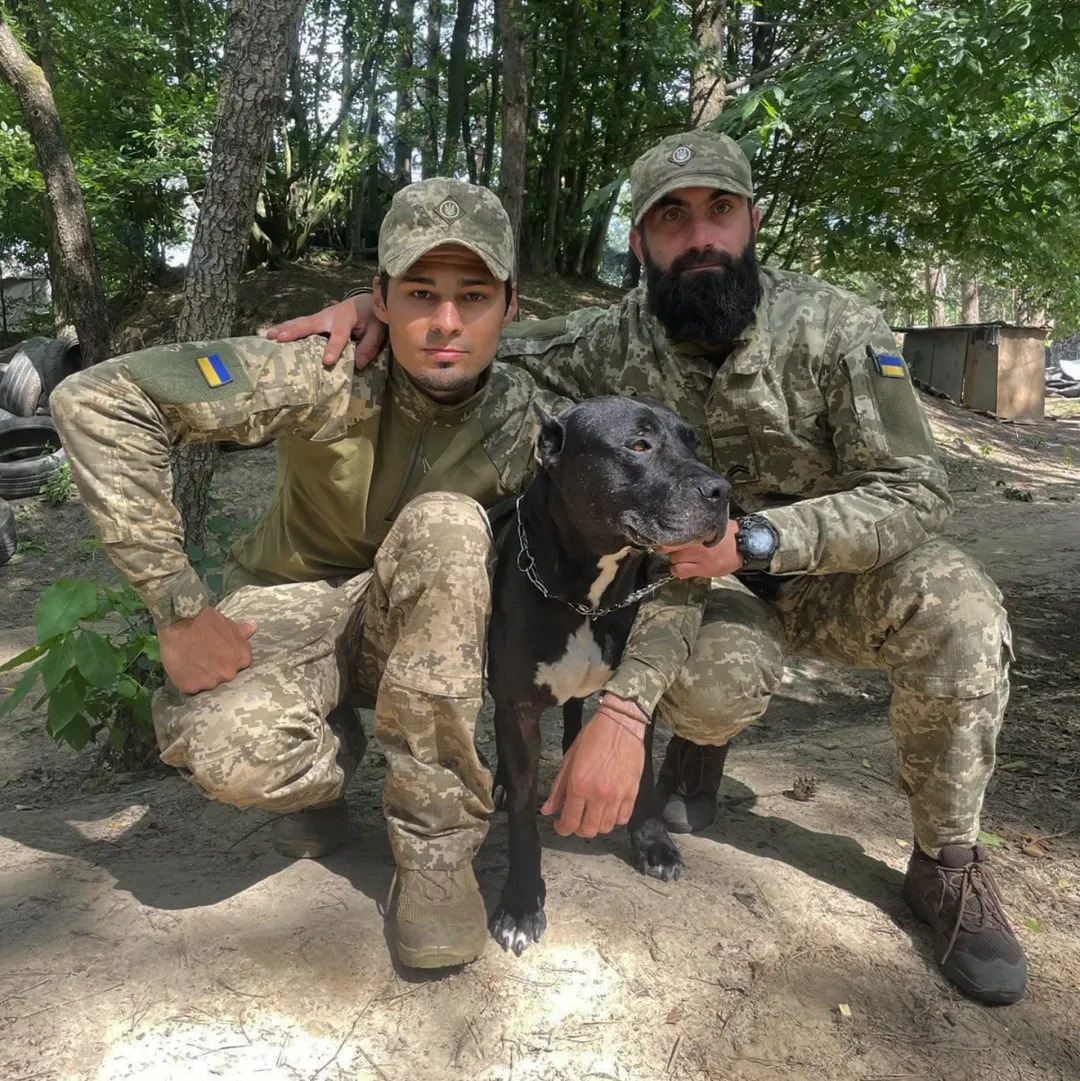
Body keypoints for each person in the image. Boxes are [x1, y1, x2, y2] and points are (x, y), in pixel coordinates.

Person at [265, 131, 1027, 1004]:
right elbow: (475, 332)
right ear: (639, 241)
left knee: (960, 606)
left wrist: (762, 538)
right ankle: (697, 747)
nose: (698, 235)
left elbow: (917, 489)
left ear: (751, 222)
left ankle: (947, 862)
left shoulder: (836, 327)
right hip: (697, 586)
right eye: (671, 218)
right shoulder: (610, 338)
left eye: (719, 210)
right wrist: (373, 309)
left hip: (823, 566)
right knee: (709, 683)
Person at [50, 178, 706, 970]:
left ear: (511, 306)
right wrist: (178, 606)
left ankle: (436, 857)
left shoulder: (528, 417)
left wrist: (626, 707)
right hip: (291, 608)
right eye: (419, 293)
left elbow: (637, 412)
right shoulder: (321, 370)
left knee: (448, 524)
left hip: (430, 622)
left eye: (473, 296)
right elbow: (97, 400)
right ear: (381, 297)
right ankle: (323, 765)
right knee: (230, 749)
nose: (446, 321)